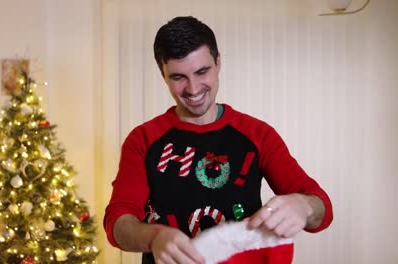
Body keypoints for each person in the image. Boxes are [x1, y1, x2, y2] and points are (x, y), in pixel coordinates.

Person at [104, 16, 333, 264]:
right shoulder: (143, 139)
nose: (193, 89)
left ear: (218, 62)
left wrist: (303, 206)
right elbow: (118, 223)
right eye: (178, 77)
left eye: (202, 71)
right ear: (163, 75)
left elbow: (322, 208)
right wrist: (154, 237)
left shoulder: (258, 134)